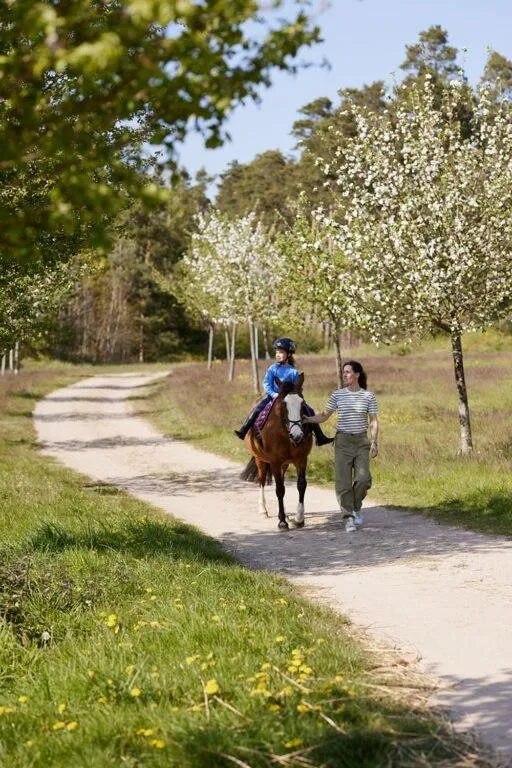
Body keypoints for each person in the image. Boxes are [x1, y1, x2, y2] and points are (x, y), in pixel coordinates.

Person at [304, 360, 379, 532]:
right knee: (343, 483)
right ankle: (348, 518)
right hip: (343, 443)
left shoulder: (368, 396)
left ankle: (356, 505)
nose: (344, 375)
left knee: (363, 479)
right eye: (343, 372)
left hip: (361, 442)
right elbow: (324, 416)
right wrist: (307, 419)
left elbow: (373, 421)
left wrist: (374, 441)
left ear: (357, 374)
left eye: (348, 372)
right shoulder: (337, 395)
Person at [234, 337, 334, 446]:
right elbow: (266, 383)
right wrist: (273, 394)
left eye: (281, 352)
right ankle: (243, 430)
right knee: (257, 409)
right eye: (277, 352)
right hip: (272, 396)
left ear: (289, 355)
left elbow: (298, 388)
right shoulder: (272, 368)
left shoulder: (293, 372)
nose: (278, 354)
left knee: (309, 410)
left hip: (290, 399)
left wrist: (296, 396)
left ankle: (320, 437)